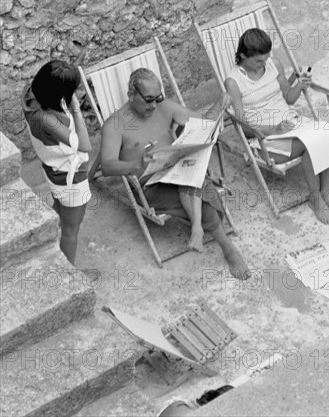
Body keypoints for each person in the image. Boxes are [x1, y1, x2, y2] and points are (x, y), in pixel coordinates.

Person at [100, 68, 250, 280]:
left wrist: (219, 104)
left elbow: (202, 123)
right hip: (150, 184)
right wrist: (136, 164)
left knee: (194, 176)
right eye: (149, 100)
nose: (154, 105)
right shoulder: (115, 124)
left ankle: (198, 229)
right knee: (204, 193)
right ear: (131, 95)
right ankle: (227, 248)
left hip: (177, 169)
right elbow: (107, 166)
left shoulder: (163, 107)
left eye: (158, 98)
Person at [225, 28, 329, 224]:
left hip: (292, 124)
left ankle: (325, 191)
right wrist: (272, 129)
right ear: (243, 55)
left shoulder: (273, 64)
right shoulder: (234, 82)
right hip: (265, 139)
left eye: (266, 58)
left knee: (327, 133)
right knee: (311, 145)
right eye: (258, 61)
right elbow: (242, 127)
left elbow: (289, 98)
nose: (264, 64)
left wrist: (301, 85)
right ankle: (315, 198)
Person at [22, 60, 92, 264]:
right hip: (70, 178)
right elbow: (85, 145)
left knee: (60, 208)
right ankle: (69, 273)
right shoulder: (47, 119)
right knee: (71, 230)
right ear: (58, 94)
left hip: (52, 169)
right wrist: (76, 109)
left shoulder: (29, 95)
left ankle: (44, 241)